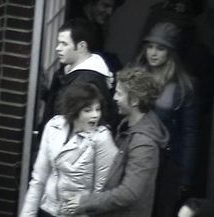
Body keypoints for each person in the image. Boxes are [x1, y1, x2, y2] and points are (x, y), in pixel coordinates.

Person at [66, 66, 169, 217]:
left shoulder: (143, 143)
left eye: (119, 93)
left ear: (134, 100)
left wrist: (85, 202)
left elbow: (128, 193)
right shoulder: (128, 126)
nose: (114, 98)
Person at [20, 83, 118, 217]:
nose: (95, 115)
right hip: (48, 209)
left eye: (98, 109)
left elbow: (102, 189)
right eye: (87, 110)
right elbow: (39, 177)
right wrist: (27, 214)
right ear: (74, 110)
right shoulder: (54, 126)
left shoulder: (102, 138)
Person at [132, 22, 198, 217]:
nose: (153, 53)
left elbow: (190, 133)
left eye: (160, 48)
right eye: (150, 46)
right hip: (138, 156)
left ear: (170, 52)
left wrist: (185, 177)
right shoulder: (136, 75)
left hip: (167, 164)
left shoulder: (184, 87)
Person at [41, 18, 118, 133]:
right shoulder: (68, 70)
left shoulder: (87, 82)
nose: (58, 48)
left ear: (82, 46)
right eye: (59, 43)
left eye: (64, 44)